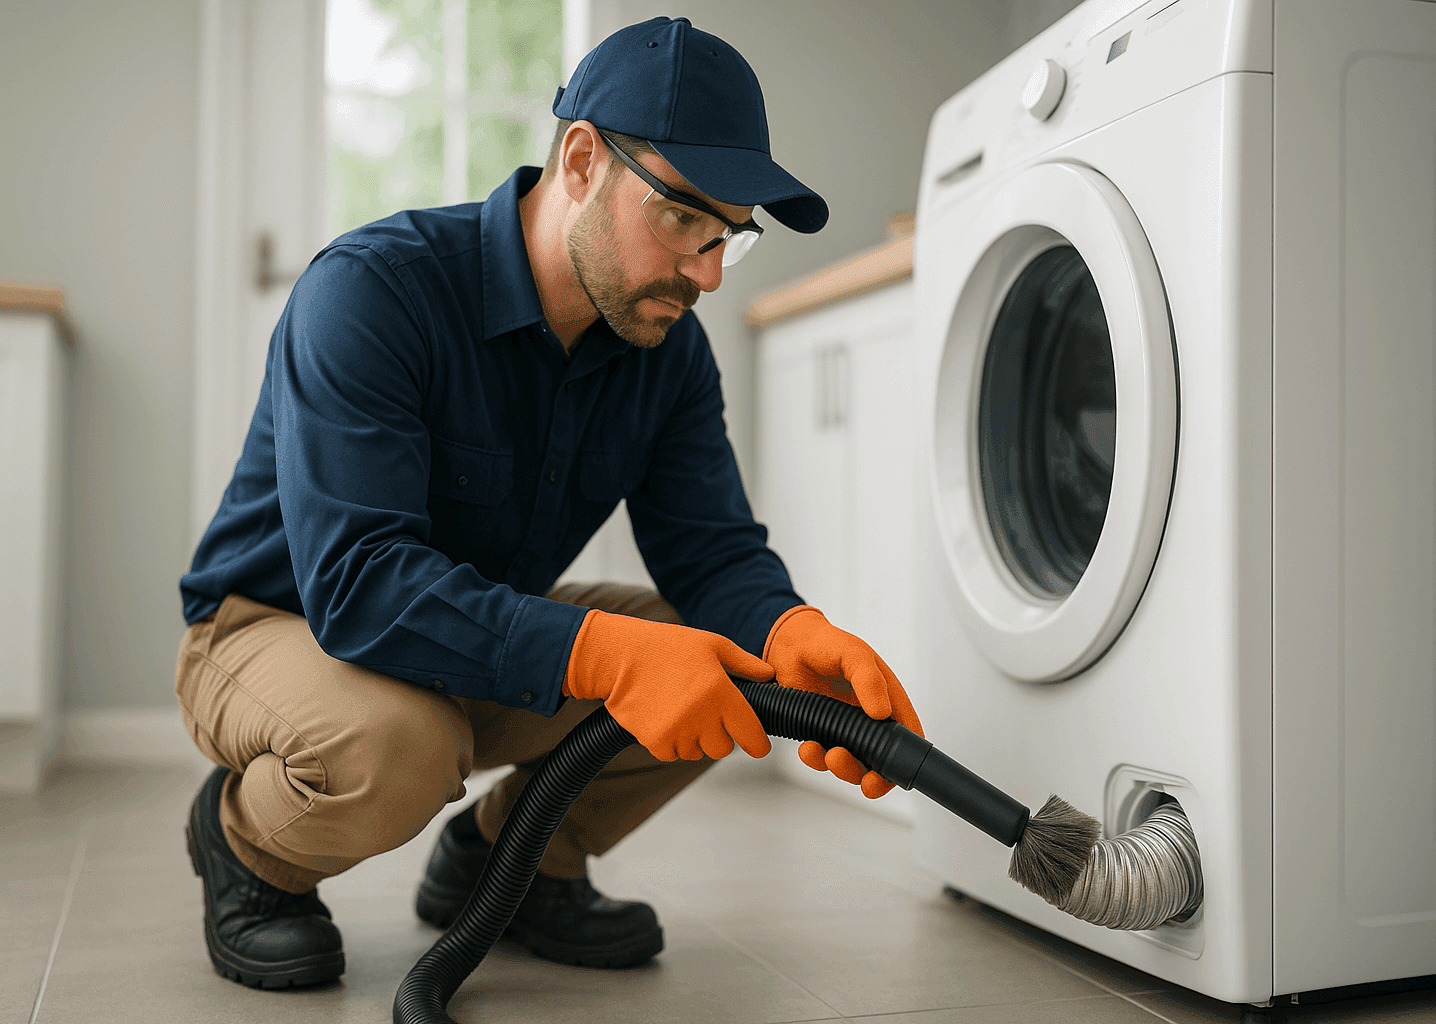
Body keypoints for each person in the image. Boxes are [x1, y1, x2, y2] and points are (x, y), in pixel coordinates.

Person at [176, 16, 924, 990]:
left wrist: (793, 637)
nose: (704, 270)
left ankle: (512, 861)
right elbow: (359, 586)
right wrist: (616, 655)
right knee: (397, 744)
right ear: (580, 160)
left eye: (728, 239)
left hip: (472, 641)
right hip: (280, 628)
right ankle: (249, 848)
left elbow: (710, 552)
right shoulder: (375, 292)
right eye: (683, 219)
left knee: (732, 666)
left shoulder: (667, 350)